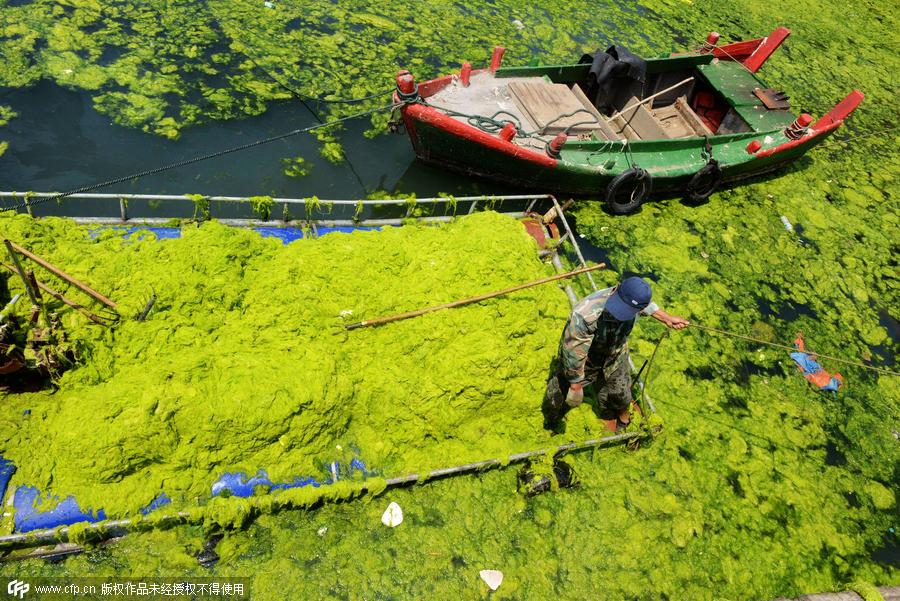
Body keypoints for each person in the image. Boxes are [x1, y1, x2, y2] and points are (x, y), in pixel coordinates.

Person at [542, 276, 688, 432]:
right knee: (555, 400)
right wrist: (576, 385)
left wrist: (666, 318)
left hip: (614, 354)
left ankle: (616, 416)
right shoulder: (585, 314)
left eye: (627, 312)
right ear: (617, 289)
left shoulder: (634, 301)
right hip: (584, 358)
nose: (619, 315)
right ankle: (551, 424)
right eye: (620, 308)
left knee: (621, 395)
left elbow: (644, 305)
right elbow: (573, 352)